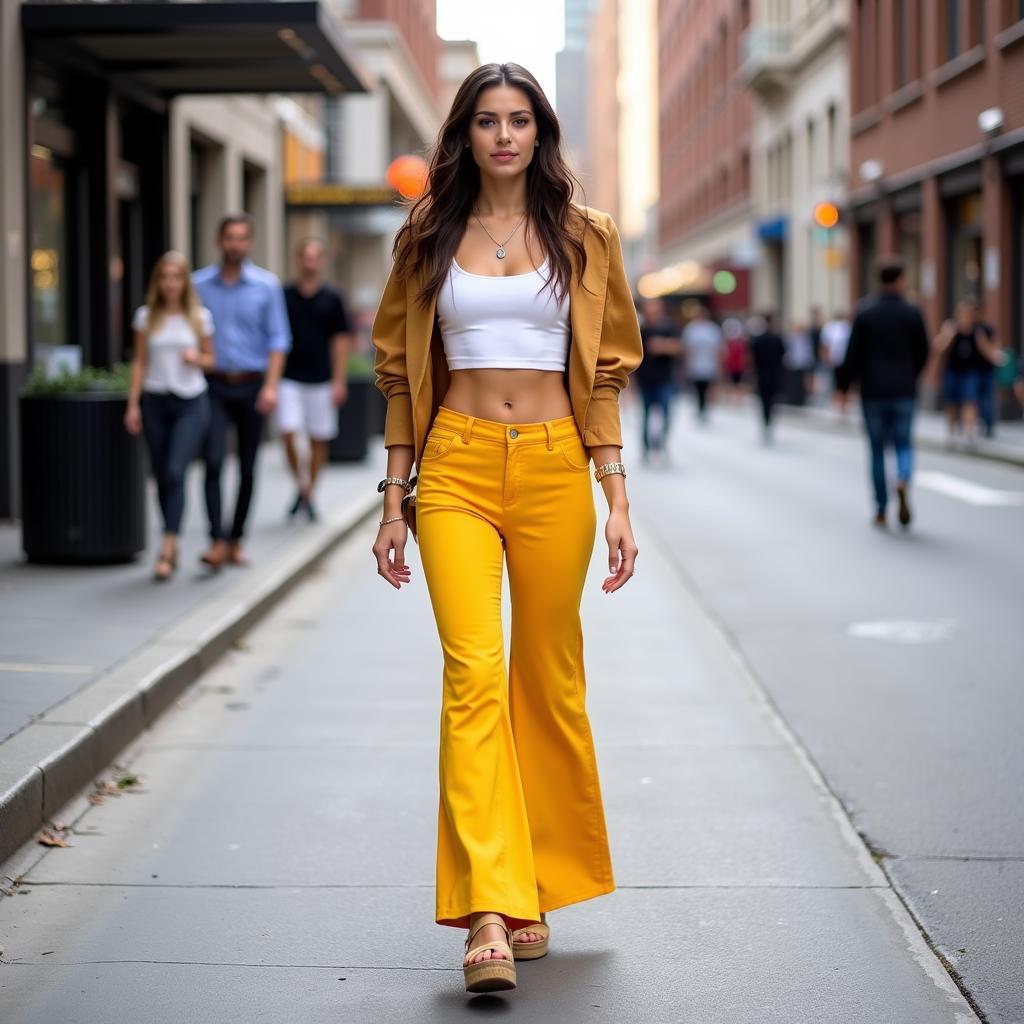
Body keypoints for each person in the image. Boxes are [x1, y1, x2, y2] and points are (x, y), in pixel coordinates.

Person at [369, 62, 642, 996]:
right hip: (453, 467)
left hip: (560, 466)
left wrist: (616, 494)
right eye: (487, 120)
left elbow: (604, 369)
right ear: (465, 132)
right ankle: (490, 907)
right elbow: (400, 374)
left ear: (540, 132)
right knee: (473, 674)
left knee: (547, 678)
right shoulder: (425, 235)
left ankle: (534, 885)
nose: (504, 136)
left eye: (520, 119)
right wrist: (393, 499)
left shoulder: (586, 236)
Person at [193, 214, 291, 569]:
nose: (235, 244)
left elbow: (279, 339)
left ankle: (236, 540)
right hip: (213, 386)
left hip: (253, 385)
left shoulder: (266, 285)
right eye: (229, 237)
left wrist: (270, 387)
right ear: (219, 241)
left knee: (248, 467)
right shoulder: (198, 284)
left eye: (241, 238)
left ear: (248, 243)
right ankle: (216, 540)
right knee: (214, 461)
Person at [124, 252, 214, 580]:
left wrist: (197, 358)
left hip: (190, 402)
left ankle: (167, 544)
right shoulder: (145, 317)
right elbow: (139, 362)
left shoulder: (199, 317)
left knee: (176, 470)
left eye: (177, 277)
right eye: (165, 277)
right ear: (158, 282)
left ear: (184, 282)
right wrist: (133, 405)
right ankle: (170, 540)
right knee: (162, 473)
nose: (171, 283)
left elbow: (211, 360)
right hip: (154, 402)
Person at [836, 257, 929, 528]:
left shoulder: (865, 312)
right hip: (903, 390)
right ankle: (902, 478)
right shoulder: (913, 312)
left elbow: (851, 355)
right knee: (903, 443)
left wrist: (843, 387)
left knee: (876, 450)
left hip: (872, 391)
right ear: (900, 279)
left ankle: (880, 507)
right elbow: (923, 351)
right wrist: (912, 375)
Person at [279, 238, 353, 521]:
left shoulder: (332, 297)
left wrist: (339, 380)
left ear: (321, 261)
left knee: (318, 439)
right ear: (298, 259)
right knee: (287, 431)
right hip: (289, 377)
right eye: (305, 257)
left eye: (315, 257)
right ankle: (303, 486)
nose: (310, 263)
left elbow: (341, 341)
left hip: (322, 379)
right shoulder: (284, 295)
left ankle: (309, 492)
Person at [932, 300, 1002, 447]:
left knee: (969, 401)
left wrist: (981, 342)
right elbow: (937, 347)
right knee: (951, 402)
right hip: (953, 370)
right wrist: (948, 335)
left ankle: (969, 433)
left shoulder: (980, 330)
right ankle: (951, 433)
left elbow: (993, 354)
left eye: (969, 314)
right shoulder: (950, 327)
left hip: (972, 372)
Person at [636, 296, 681, 459]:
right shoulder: (641, 329)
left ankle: (662, 442)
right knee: (646, 414)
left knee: (666, 412)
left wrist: (662, 346)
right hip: (645, 378)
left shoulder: (669, 327)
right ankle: (646, 446)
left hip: (665, 379)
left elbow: (679, 347)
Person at [749, 312, 786, 442]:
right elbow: (783, 356)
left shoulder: (758, 339)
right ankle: (768, 421)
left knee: (764, 400)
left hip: (762, 374)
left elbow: (753, 359)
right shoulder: (777, 338)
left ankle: (766, 421)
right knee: (772, 400)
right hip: (773, 374)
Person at [682, 305, 722, 421]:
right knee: (698, 388)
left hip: (709, 364)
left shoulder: (712, 329)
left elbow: (717, 348)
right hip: (695, 365)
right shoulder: (691, 329)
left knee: (707, 388)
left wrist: (718, 365)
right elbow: (688, 348)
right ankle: (700, 408)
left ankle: (704, 408)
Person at [820, 310, 851, 402]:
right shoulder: (845, 327)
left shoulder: (829, 327)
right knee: (841, 381)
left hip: (835, 358)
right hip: (841, 359)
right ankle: (841, 399)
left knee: (835, 380)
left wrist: (825, 357)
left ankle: (838, 398)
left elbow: (825, 345)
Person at [721, 317, 749, 402]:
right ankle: (731, 398)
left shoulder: (741, 343)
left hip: (738, 366)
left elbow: (744, 355)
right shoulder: (728, 343)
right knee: (730, 383)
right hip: (730, 366)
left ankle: (738, 399)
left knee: (738, 383)